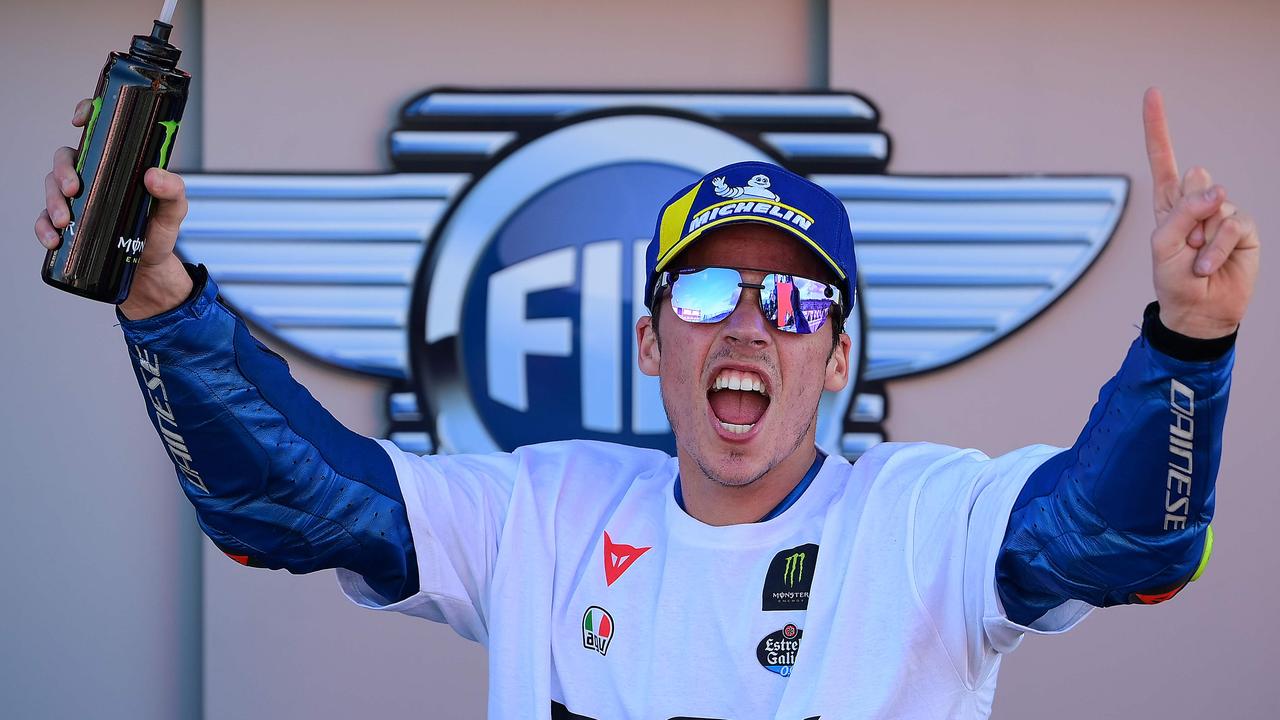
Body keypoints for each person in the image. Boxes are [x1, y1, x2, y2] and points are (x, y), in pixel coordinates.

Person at [34, 88, 1259, 719]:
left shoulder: (920, 520)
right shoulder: (544, 509)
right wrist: (162, 299)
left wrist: (1186, 342)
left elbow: (1121, 538)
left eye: (792, 305)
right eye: (712, 286)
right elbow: (288, 505)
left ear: (834, 358)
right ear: (646, 337)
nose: (746, 323)